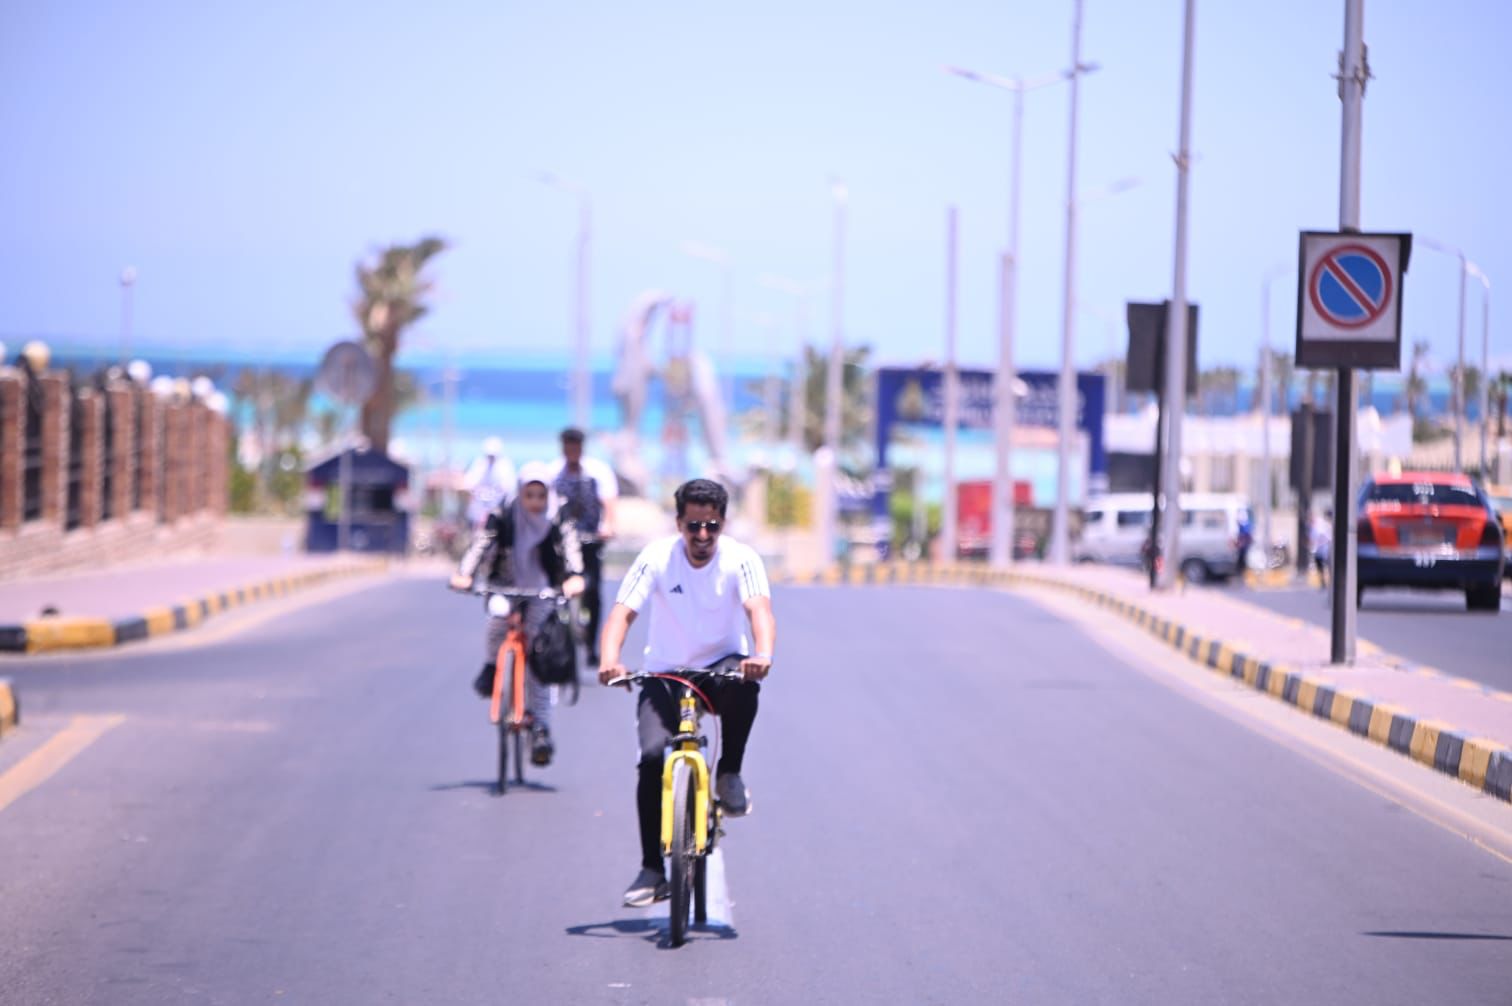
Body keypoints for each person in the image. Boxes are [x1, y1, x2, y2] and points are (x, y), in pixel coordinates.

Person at [597, 478, 776, 908]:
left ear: (722, 524)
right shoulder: (656, 557)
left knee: (745, 685)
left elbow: (760, 611)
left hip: (720, 669)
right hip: (665, 674)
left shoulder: (742, 559)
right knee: (651, 758)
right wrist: (609, 659)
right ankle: (651, 869)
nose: (702, 536)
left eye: (711, 526)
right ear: (679, 523)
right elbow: (622, 613)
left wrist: (763, 654)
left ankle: (729, 772)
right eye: (693, 526)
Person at [451, 462, 584, 766]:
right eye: (529, 495)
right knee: (497, 618)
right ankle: (491, 667)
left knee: (539, 658)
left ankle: (541, 728)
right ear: (520, 493)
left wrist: (575, 576)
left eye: (541, 495)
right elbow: (481, 543)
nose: (535, 502)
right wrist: (465, 574)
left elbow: (571, 547)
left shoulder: (558, 514)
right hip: (505, 583)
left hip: (543, 588)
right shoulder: (504, 512)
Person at [547, 427, 619, 664]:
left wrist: (607, 525)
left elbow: (608, 502)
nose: (572, 451)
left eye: (575, 447)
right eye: (568, 447)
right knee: (553, 589)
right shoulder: (553, 473)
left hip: (589, 539)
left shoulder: (597, 471)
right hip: (561, 542)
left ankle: (590, 644)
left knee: (593, 591)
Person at [461, 437, 516, 531]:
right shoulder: (479, 464)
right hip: (479, 508)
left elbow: (508, 487)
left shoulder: (505, 466)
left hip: (497, 508)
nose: (490, 458)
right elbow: (470, 483)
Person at [1310, 509, 1333, 590]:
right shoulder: (1315, 526)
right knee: (1320, 567)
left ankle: (1330, 582)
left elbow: (1326, 537)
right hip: (1319, 550)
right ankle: (1323, 582)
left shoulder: (1322, 525)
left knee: (1328, 566)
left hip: (1325, 550)